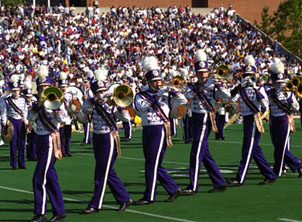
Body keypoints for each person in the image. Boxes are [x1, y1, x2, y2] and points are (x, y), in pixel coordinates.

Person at [134, 56, 187, 204]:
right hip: (147, 129)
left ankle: (149, 196)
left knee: (152, 163)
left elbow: (182, 101)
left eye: (159, 81)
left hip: (160, 129)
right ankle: (173, 189)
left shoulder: (166, 93)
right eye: (155, 82)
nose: (158, 84)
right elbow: (140, 108)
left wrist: (174, 91)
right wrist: (156, 95)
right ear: (149, 82)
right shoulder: (141, 95)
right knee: (153, 162)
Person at [81, 74, 132, 214]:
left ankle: (95, 203)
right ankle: (125, 198)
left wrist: (120, 107)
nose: (102, 94)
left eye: (103, 91)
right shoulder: (92, 103)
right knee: (107, 171)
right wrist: (94, 100)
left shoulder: (113, 103)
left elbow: (127, 118)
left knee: (101, 172)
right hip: (97, 136)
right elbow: (84, 111)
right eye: (99, 92)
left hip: (109, 137)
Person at [182, 50, 229, 194]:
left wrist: (220, 85)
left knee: (196, 153)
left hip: (205, 119)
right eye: (200, 72)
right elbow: (186, 97)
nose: (203, 74)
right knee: (205, 154)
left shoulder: (213, 85)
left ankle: (193, 185)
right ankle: (219, 182)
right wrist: (201, 87)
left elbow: (227, 96)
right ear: (196, 73)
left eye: (205, 72)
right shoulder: (192, 86)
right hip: (194, 118)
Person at [228, 55, 277, 186]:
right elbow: (231, 97)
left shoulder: (260, 89)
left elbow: (265, 104)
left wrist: (254, 87)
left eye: (251, 75)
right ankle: (269, 174)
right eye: (246, 75)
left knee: (247, 149)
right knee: (254, 150)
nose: (248, 77)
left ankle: (240, 178)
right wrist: (239, 85)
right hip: (246, 119)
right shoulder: (241, 89)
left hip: (255, 119)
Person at [28, 65, 68, 222]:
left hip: (51, 140)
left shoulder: (58, 101)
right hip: (40, 139)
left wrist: (57, 109)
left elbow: (64, 120)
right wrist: (36, 108)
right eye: (41, 87)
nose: (43, 89)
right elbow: (30, 119)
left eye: (46, 87)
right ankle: (59, 210)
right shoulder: (35, 103)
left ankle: (40, 213)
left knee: (39, 177)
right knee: (50, 176)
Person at [266, 62, 302, 177]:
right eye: (278, 83)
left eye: (281, 83)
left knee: (281, 146)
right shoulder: (270, 92)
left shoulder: (289, 93)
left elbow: (296, 107)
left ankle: (279, 169)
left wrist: (290, 100)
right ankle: (295, 165)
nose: (279, 85)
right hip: (273, 119)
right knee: (277, 145)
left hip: (283, 119)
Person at [1, 74, 28, 169]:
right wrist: (4, 124)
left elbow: (25, 111)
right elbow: (4, 112)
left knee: (22, 143)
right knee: (13, 144)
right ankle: (13, 163)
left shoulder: (23, 99)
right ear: (11, 90)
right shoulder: (7, 100)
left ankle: (22, 163)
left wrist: (26, 121)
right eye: (14, 90)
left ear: (19, 90)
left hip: (20, 122)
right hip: (11, 122)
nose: (15, 92)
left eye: (17, 90)